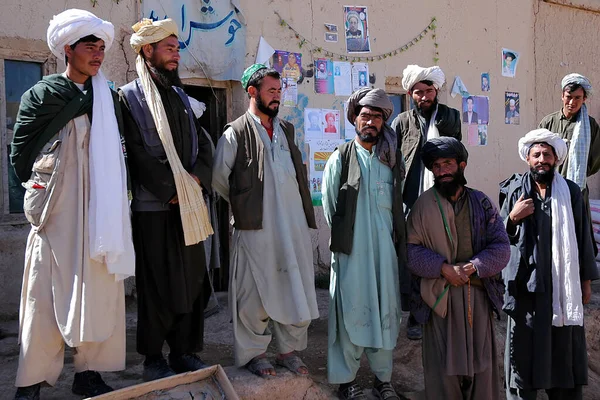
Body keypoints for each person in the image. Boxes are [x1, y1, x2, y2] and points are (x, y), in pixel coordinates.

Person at [9, 9, 135, 399]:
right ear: (69, 49)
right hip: (56, 212)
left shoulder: (107, 98)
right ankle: (31, 379)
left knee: (100, 289)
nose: (98, 54)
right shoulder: (44, 95)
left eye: (101, 47)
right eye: (89, 47)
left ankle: (89, 371)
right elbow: (22, 153)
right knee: (42, 294)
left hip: (100, 213)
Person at [119, 18, 214, 382]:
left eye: (176, 48)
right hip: (155, 207)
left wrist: (195, 180)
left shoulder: (179, 96)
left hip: (189, 203)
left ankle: (184, 352)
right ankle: (153, 357)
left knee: (191, 280)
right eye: (170, 48)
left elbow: (203, 144)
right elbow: (137, 155)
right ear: (148, 51)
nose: (176, 55)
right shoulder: (128, 98)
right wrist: (172, 189)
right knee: (156, 283)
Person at [212, 64, 319, 377]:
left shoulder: (286, 130)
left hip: (293, 226)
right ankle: (254, 354)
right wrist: (248, 205)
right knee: (253, 293)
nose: (277, 97)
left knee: (293, 287)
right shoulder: (234, 132)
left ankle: (288, 352)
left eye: (279, 90)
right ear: (252, 93)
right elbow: (220, 179)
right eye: (271, 91)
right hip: (256, 227)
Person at [407, 137, 510, 400]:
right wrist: (443, 269)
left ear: (461, 165)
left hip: (477, 297)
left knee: (482, 367)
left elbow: (501, 247)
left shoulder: (481, 203)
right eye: (437, 166)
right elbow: (409, 251)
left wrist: (473, 267)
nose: (442, 171)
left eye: (448, 163)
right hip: (439, 298)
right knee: (442, 370)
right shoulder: (422, 206)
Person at [499, 129, 599, 400]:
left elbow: (583, 238)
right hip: (526, 289)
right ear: (528, 159)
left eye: (547, 154)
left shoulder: (571, 191)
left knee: (562, 352)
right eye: (536, 155)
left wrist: (585, 281)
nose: (541, 159)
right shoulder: (513, 190)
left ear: (556, 159)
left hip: (561, 290)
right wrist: (513, 217)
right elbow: (497, 234)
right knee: (523, 351)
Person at [322, 88, 406, 400]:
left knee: (385, 313)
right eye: (364, 115)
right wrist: (351, 246)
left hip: (384, 256)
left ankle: (383, 380)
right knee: (349, 315)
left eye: (376, 116)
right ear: (355, 119)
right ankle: (346, 382)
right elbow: (332, 211)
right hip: (351, 253)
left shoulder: (390, 161)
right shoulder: (340, 158)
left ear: (384, 121)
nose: (370, 121)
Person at [391, 64, 461, 340]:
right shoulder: (401, 122)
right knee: (412, 256)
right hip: (411, 199)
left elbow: (456, 152)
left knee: (442, 254)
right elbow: (394, 161)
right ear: (410, 94)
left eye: (428, 91)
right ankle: (416, 315)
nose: (424, 97)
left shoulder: (450, 117)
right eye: (418, 92)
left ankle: (441, 309)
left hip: (443, 197)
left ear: (437, 91)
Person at [538, 73, 600, 254]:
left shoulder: (589, 125)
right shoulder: (549, 122)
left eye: (577, 98)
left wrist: (577, 171)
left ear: (584, 98)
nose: (572, 102)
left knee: (578, 234)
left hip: (577, 188)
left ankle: (580, 277)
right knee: (551, 233)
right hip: (549, 187)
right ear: (562, 96)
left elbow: (595, 159)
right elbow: (538, 155)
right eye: (568, 97)